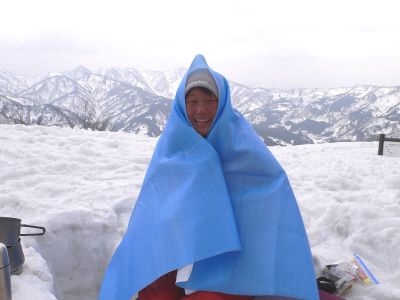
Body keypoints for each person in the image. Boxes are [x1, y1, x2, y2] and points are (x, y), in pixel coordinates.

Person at [99, 55, 319, 300]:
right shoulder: (171, 148)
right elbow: (154, 213)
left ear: (222, 102)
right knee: (154, 292)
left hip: (235, 268)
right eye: (192, 101)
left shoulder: (246, 150)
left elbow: (269, 208)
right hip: (183, 254)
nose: (200, 110)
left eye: (209, 100)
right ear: (182, 105)